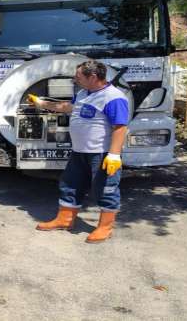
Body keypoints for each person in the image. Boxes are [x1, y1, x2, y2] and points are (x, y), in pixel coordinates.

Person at [31, 60, 128, 243]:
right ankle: (65, 219)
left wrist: (114, 154)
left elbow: (120, 127)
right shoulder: (84, 93)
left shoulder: (114, 97)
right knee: (70, 184)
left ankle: (105, 227)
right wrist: (42, 103)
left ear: (92, 77)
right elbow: (67, 107)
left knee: (105, 189)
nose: (75, 80)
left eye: (78, 76)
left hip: (101, 154)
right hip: (79, 151)